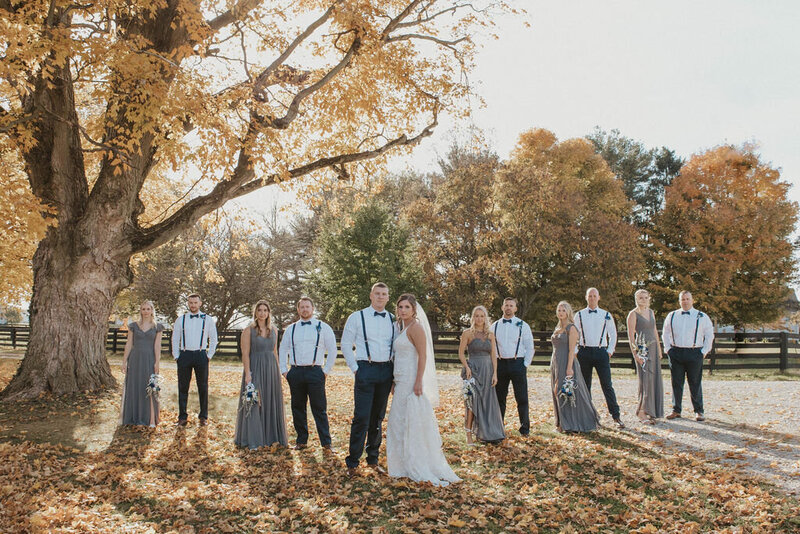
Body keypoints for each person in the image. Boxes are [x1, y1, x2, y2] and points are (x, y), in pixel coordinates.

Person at [386, 294, 461, 486]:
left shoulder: (416, 327)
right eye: (400, 307)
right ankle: (400, 465)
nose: (403, 310)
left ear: (414, 310)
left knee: (411, 422)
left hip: (412, 381)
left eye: (407, 307)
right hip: (400, 380)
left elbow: (423, 356)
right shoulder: (399, 327)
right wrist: (394, 380)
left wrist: (419, 380)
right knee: (398, 422)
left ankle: (417, 463)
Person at [342, 282, 396, 477]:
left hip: (386, 370)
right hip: (365, 368)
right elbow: (346, 344)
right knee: (361, 417)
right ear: (371, 295)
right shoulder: (357, 317)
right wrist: (356, 369)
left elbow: (397, 347)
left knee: (378, 418)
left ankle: (373, 459)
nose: (381, 297)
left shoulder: (393, 319)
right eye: (378, 293)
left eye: (384, 294)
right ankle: (352, 462)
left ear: (388, 297)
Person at [279, 297, 337, 451]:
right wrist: (284, 371)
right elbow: (283, 349)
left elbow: (332, 350)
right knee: (297, 407)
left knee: (319, 408)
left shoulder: (323, 327)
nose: (305, 309)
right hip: (296, 371)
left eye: (307, 307)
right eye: (302, 307)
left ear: (312, 308)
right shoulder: (290, 329)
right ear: (298, 309)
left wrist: (325, 371)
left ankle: (326, 442)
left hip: (315, 371)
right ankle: (301, 440)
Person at [235, 300, 288, 448]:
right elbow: (245, 354)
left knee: (270, 401)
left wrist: (277, 371)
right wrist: (248, 374)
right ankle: (252, 438)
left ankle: (270, 437)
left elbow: (275, 352)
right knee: (254, 402)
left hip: (271, 369)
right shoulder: (248, 330)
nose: (262, 313)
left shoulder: (274, 330)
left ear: (269, 313)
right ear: (255, 312)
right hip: (255, 368)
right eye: (260, 310)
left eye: (265, 310)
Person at [573, 287, 624, 429]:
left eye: (594, 296)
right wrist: (576, 351)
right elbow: (573, 334)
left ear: (599, 297)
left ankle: (616, 416)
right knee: (585, 385)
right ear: (586, 297)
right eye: (590, 296)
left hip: (601, 352)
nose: (592, 298)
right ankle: (587, 417)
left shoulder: (606, 314)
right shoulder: (579, 315)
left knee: (607, 385)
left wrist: (609, 351)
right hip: (584, 352)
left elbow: (613, 334)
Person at [662, 291, 714, 422]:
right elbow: (665, 333)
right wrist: (668, 349)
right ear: (679, 301)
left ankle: (699, 411)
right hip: (676, 352)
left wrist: (704, 351)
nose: (685, 301)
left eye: (687, 299)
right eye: (682, 299)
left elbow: (709, 335)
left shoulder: (702, 316)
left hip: (695, 352)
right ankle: (676, 410)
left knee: (695, 382)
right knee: (676, 382)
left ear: (692, 300)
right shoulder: (672, 315)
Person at [457, 305, 505, 445]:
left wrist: (495, 373)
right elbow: (461, 353)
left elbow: (493, 355)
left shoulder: (490, 334)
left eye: (482, 316)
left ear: (485, 318)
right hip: (473, 370)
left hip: (488, 371)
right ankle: (469, 435)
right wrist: (466, 367)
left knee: (487, 401)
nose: (479, 318)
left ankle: (489, 432)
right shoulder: (467, 333)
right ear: (473, 318)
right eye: (476, 316)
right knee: (472, 403)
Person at [549, 301, 599, 432]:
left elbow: (572, 350)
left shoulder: (571, 328)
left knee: (563, 391)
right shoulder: (558, 327)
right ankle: (561, 423)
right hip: (556, 362)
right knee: (557, 391)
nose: (560, 313)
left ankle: (571, 423)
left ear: (568, 312)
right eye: (559, 310)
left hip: (567, 362)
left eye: (563, 310)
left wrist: (569, 368)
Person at [171, 293, 219, 427]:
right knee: (183, 387)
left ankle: (203, 416)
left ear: (200, 303)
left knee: (203, 386)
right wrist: (176, 356)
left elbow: (214, 339)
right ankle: (182, 417)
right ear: (188, 303)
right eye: (191, 303)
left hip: (201, 355)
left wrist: (209, 355)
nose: (193, 305)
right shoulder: (181, 319)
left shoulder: (208, 320)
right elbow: (175, 339)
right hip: (184, 355)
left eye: (195, 302)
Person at [490, 297, 534, 436]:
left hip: (517, 363)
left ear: (515, 308)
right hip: (500, 364)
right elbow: (491, 348)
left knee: (521, 398)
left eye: (511, 305)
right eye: (506, 305)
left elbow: (530, 347)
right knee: (499, 398)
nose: (508, 307)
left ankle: (525, 429)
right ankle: (498, 427)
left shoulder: (523, 325)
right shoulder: (494, 326)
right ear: (502, 307)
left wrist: (524, 364)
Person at [120, 301, 163, 428]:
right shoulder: (133, 326)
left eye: (148, 309)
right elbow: (129, 344)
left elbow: (157, 346)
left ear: (152, 310)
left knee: (150, 386)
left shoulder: (157, 327)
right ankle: (132, 417)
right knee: (134, 386)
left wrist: (157, 362)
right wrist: (124, 362)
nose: (145, 311)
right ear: (140, 310)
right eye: (143, 309)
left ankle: (150, 419)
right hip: (135, 359)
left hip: (149, 359)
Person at [626, 289, 664, 424]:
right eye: (640, 298)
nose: (643, 300)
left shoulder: (651, 312)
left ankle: (651, 410)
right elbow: (631, 336)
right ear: (636, 299)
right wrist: (635, 354)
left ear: (649, 298)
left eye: (645, 297)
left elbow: (654, 332)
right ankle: (641, 412)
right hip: (642, 350)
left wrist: (659, 349)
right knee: (645, 380)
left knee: (654, 379)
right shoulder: (633, 314)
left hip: (653, 349)